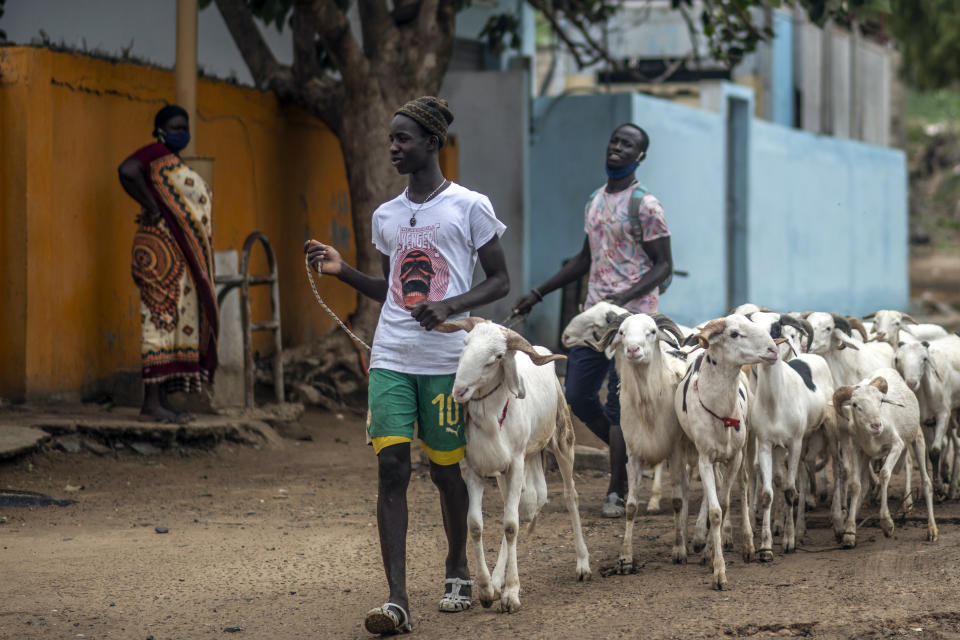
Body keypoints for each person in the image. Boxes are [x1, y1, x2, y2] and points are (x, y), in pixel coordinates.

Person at [304, 97, 509, 635]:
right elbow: (392, 291)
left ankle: (457, 567)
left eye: (404, 139)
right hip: (391, 357)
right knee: (391, 469)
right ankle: (396, 599)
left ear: (433, 143)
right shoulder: (386, 215)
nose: (394, 147)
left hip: (447, 363)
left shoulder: (470, 206)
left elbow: (499, 281)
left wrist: (450, 306)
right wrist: (342, 270)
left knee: (446, 471)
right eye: (391, 139)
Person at [511, 123, 672, 518]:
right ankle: (628, 451)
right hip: (593, 318)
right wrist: (538, 292)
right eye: (615, 140)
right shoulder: (594, 201)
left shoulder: (646, 205)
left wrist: (626, 297)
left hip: (633, 322)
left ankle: (617, 488)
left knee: (619, 405)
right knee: (577, 396)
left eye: (628, 144)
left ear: (640, 156)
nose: (618, 147)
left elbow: (665, 265)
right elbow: (585, 259)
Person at [118, 105, 219, 424]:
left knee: (173, 322)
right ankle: (150, 403)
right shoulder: (154, 152)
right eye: (175, 126)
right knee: (159, 319)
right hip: (158, 251)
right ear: (160, 130)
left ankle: (161, 401)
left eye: (185, 126)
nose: (182, 132)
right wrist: (151, 207)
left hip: (176, 254)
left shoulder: (171, 162)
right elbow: (127, 170)